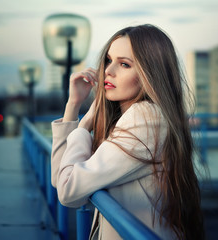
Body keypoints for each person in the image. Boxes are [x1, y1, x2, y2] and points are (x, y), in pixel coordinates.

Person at [51, 24, 205, 240]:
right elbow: (61, 179)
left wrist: (84, 126)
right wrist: (73, 104)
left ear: (150, 74)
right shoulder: (126, 119)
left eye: (124, 64)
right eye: (108, 60)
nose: (108, 71)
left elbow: (68, 192)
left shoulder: (146, 118)